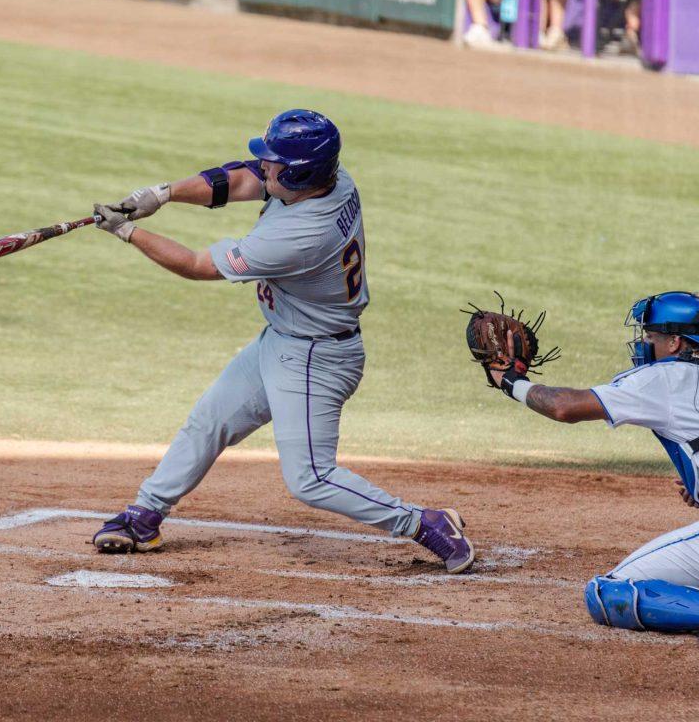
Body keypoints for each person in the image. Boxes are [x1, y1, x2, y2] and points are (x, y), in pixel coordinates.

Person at [85, 109, 476, 574]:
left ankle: (424, 523)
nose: (264, 167)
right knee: (209, 421)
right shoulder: (333, 178)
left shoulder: (301, 237)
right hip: (283, 340)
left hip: (316, 358)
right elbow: (244, 179)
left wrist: (128, 231)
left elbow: (194, 264)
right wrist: (163, 195)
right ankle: (143, 516)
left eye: (274, 162)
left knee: (310, 479)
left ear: (298, 173)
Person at [484, 291, 699, 644]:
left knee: (609, 591)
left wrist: (509, 381)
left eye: (650, 337)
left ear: (675, 342)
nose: (644, 344)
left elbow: (565, 407)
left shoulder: (663, 378)